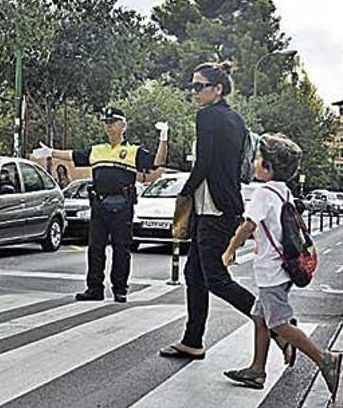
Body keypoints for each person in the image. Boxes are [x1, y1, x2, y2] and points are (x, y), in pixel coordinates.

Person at [158, 61, 294, 363]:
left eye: (198, 86)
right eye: (192, 86)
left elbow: (204, 163)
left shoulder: (207, 116)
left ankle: (279, 327)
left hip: (214, 209)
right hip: (226, 205)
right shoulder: (235, 119)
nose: (193, 92)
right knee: (194, 274)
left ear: (217, 89)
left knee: (216, 278)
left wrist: (184, 192)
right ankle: (193, 340)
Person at [220, 134, 342, 398]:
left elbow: (248, 225)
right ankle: (256, 369)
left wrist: (230, 250)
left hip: (271, 271)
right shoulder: (283, 190)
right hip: (283, 268)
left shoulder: (264, 193)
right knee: (259, 316)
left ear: (268, 167)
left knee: (279, 323)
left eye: (258, 159)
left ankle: (324, 359)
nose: (254, 162)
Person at [34, 108, 169, 302]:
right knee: (95, 248)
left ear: (124, 126)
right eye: (107, 123)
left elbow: (157, 163)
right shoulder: (98, 150)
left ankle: (120, 289)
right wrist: (51, 152)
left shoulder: (133, 151)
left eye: (113, 122)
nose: (109, 126)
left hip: (122, 206)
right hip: (99, 205)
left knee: (121, 249)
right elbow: (74, 155)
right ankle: (94, 288)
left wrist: (164, 138)